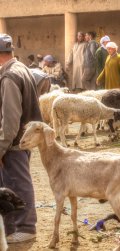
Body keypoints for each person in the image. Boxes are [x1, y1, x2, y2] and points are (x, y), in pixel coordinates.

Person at [0, 33, 42, 243]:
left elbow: (10, 120)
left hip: (13, 142)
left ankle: (25, 227)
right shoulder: (22, 68)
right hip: (22, 139)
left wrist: (1, 148)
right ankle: (12, 227)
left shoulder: (9, 78)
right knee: (13, 182)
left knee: (17, 183)